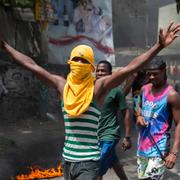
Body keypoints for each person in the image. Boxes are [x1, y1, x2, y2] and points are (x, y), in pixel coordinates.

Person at [0, 22, 180, 180]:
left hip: (89, 162)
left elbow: (130, 68)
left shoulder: (97, 88)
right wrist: (5, 46)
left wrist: (158, 46)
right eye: (76, 59)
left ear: (91, 66)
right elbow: (31, 65)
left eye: (83, 60)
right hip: (68, 160)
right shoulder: (62, 86)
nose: (78, 63)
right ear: (70, 62)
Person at [135, 57, 180, 179]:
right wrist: (139, 116)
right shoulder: (144, 89)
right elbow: (139, 108)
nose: (151, 77)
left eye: (155, 74)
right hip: (142, 146)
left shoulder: (172, 95)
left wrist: (173, 153)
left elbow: (179, 124)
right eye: (149, 74)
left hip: (159, 148)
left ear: (164, 71)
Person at [96, 60, 131, 180]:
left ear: (110, 74)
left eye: (103, 71)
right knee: (113, 160)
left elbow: (125, 112)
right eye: (98, 70)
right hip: (96, 135)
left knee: (97, 169)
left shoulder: (117, 91)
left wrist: (127, 136)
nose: (100, 73)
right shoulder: (93, 89)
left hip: (110, 134)